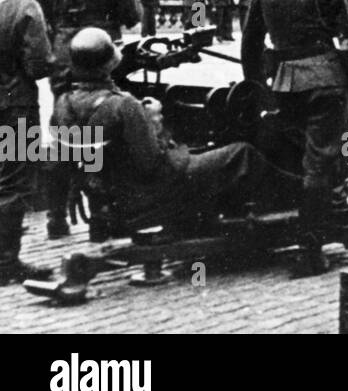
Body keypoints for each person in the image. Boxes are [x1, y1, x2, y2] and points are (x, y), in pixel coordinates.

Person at [240, 0, 348, 277]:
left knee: (292, 155)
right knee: (320, 164)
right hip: (326, 81)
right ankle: (311, 252)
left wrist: (257, 89)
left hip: (283, 83)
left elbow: (250, 42)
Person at [54, 27, 270, 236]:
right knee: (242, 154)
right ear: (109, 64)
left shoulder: (63, 104)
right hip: (151, 193)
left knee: (203, 153)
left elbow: (68, 161)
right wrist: (155, 123)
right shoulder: (124, 106)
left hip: (116, 195)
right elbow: (152, 164)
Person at [30, 0, 141, 239]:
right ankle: (102, 218)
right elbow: (132, 16)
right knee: (104, 131)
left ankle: (56, 218)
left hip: (62, 54)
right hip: (100, 51)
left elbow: (41, 11)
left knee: (64, 130)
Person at [0, 0, 55, 284]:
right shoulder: (25, 6)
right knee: (13, 180)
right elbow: (39, 66)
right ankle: (6, 264)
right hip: (14, 107)